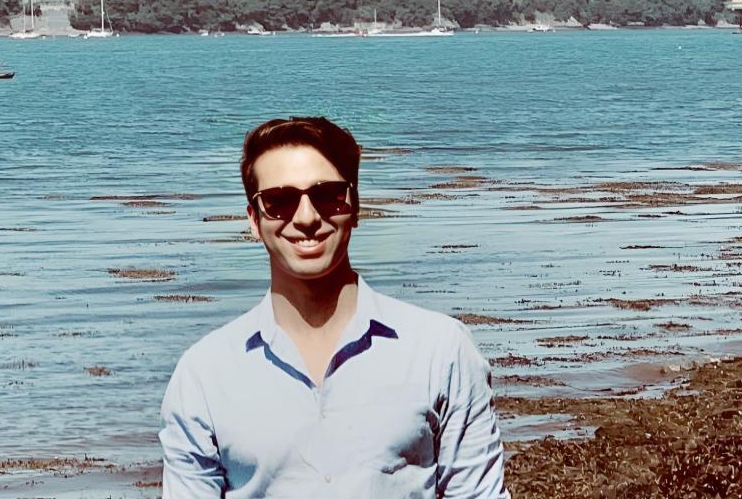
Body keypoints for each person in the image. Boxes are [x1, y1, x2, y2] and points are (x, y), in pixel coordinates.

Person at [159, 116, 508, 498]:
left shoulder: (441, 350)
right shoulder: (204, 375)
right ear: (254, 221)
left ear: (354, 205)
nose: (306, 217)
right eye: (279, 201)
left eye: (327, 195)